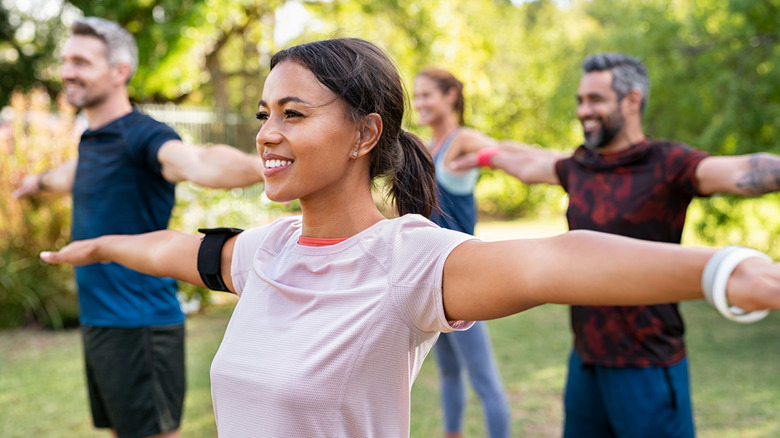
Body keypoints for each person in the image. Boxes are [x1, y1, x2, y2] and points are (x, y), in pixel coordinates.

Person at [38, 39, 780, 438]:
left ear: (365, 133)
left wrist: (724, 269)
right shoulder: (266, 253)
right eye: (265, 114)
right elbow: (173, 249)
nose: (267, 134)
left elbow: (558, 259)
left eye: (294, 114)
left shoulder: (408, 261)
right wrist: (101, 247)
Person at [451, 52, 780, 438]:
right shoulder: (579, 165)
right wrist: (483, 157)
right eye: (580, 100)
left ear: (632, 100)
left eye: (595, 100)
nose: (583, 110)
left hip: (647, 367)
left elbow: (741, 170)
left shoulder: (668, 163)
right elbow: (528, 164)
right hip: (586, 363)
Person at [12, 17, 264, 438]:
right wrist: (33, 184)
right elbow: (67, 176)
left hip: (140, 324)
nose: (67, 71)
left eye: (81, 61)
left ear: (119, 71)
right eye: (66, 60)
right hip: (102, 322)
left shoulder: (144, 137)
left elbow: (196, 162)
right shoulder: (94, 140)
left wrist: (266, 167)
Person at [413, 67, 510, 438]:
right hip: (431, 279)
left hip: (464, 277)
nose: (419, 103)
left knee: (484, 379)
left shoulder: (463, 140)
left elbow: (504, 152)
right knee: (450, 373)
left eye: (427, 95)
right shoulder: (426, 147)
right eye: (417, 96)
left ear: (450, 95)